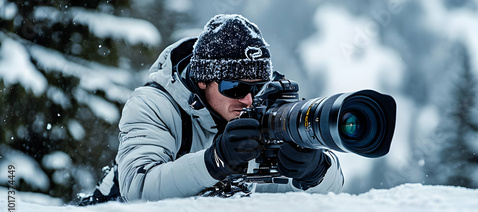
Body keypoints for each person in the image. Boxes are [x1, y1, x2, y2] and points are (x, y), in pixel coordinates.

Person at [101, 14, 344, 201]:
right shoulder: (153, 104)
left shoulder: (265, 109)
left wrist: (316, 170)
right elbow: (137, 190)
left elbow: (329, 194)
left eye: (257, 87)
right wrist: (215, 160)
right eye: (235, 87)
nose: (248, 99)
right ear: (202, 80)